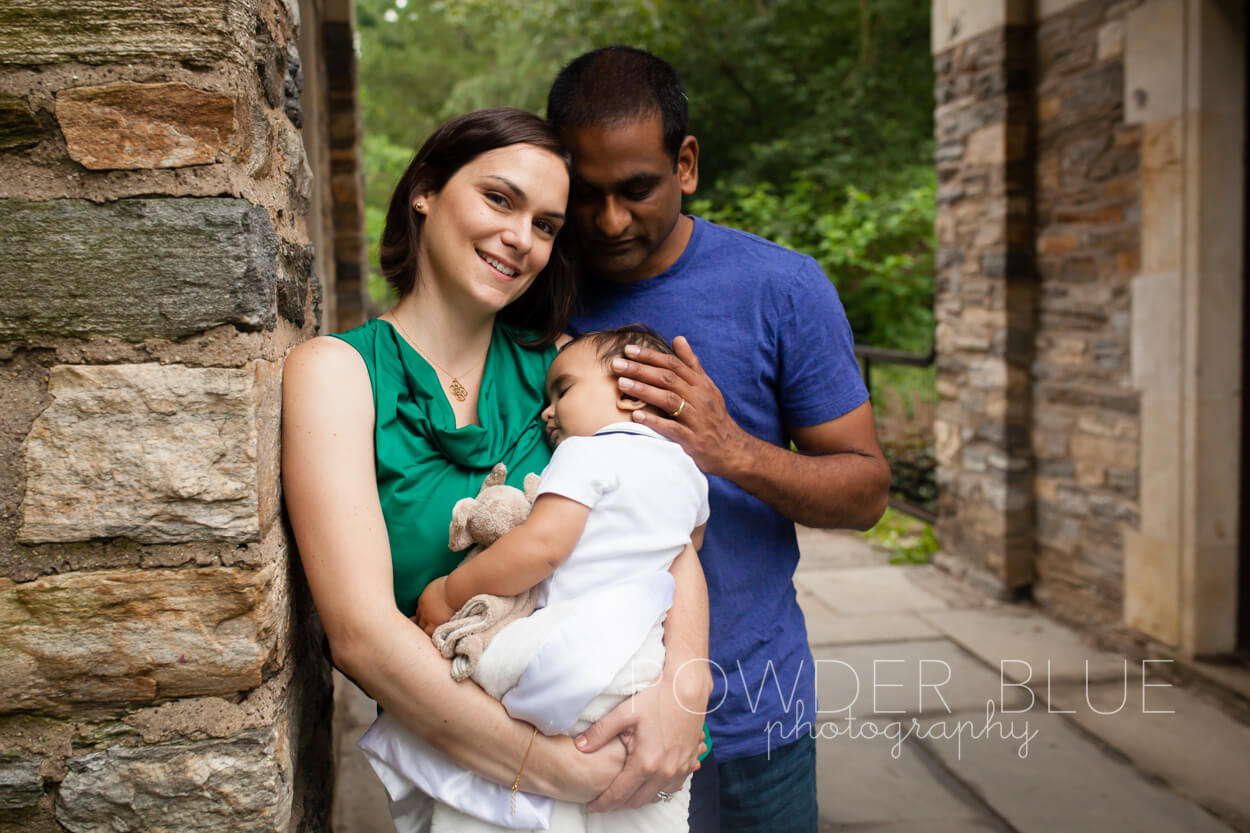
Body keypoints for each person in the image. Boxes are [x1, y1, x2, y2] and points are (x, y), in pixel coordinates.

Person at [281, 108, 711, 833]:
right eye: (500, 199)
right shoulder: (338, 373)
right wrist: (559, 768)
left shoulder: (568, 371)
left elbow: (669, 536)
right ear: (425, 189)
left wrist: (681, 692)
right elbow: (359, 634)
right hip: (470, 769)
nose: (521, 238)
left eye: (545, 224)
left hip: (621, 736)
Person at [546, 47, 892, 833]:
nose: (608, 221)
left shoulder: (780, 287)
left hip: (749, 725)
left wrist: (730, 448)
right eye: (587, 193)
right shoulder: (536, 282)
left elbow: (868, 490)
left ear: (687, 163)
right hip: (572, 723)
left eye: (636, 189)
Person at [358, 326, 710, 833]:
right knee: (631, 799)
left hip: (566, 654)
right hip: (643, 665)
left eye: (562, 390)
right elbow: (685, 550)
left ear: (630, 392)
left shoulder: (586, 453)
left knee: (453, 670)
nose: (548, 412)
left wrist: (449, 592)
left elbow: (540, 547)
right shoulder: (688, 472)